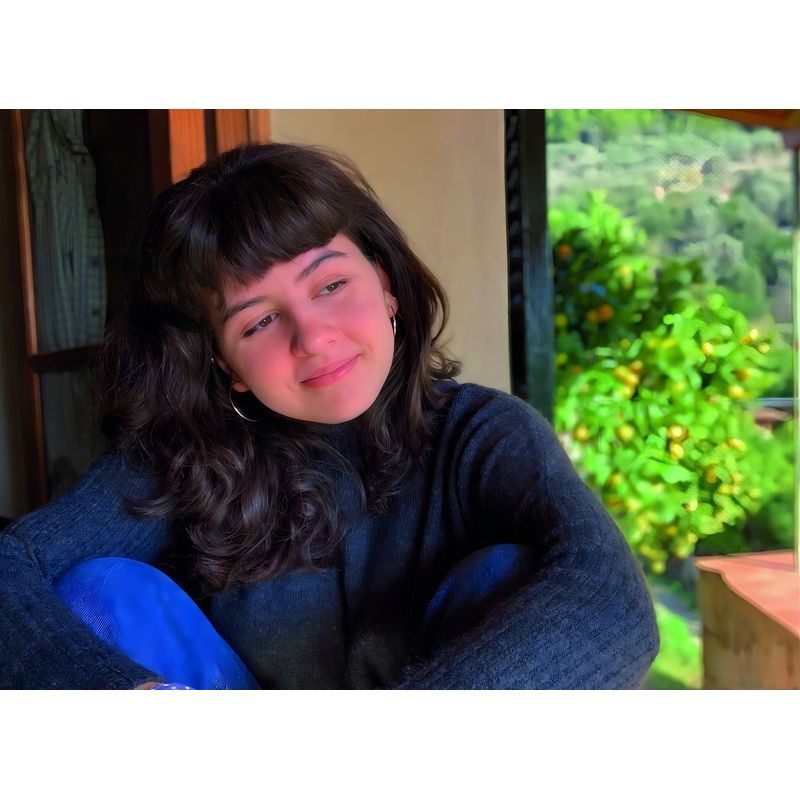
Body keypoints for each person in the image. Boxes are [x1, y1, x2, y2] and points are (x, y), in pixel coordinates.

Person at [0, 143, 659, 689]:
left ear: (386, 284)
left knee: (510, 575)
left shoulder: (482, 433)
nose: (313, 337)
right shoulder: (184, 458)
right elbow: (13, 564)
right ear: (227, 363)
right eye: (258, 321)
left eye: (331, 285)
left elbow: (613, 602)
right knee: (102, 589)